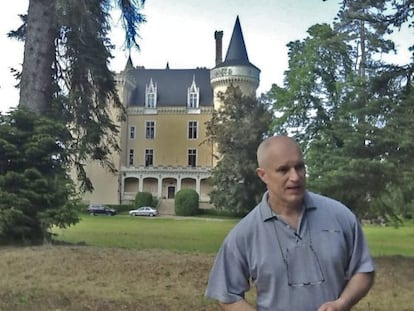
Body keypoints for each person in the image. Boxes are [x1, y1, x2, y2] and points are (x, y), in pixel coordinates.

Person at [205, 135, 375, 311]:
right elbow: (228, 295)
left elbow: (363, 270)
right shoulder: (244, 234)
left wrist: (342, 303)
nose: (295, 177)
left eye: (299, 167)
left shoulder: (340, 216)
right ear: (263, 175)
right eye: (283, 170)